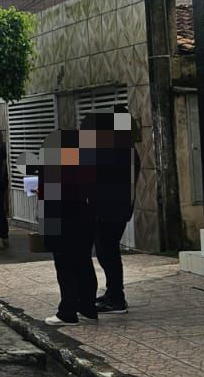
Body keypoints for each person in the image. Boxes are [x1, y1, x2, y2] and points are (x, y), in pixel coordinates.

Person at [86, 108, 140, 314]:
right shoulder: (126, 149)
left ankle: (116, 298)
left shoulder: (118, 150)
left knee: (107, 253)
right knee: (107, 252)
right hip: (115, 209)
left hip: (110, 210)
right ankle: (113, 293)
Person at [40, 132, 98, 325]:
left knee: (65, 268)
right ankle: (88, 307)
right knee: (84, 264)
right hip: (85, 220)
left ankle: (68, 311)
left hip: (62, 222)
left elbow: (50, 200)